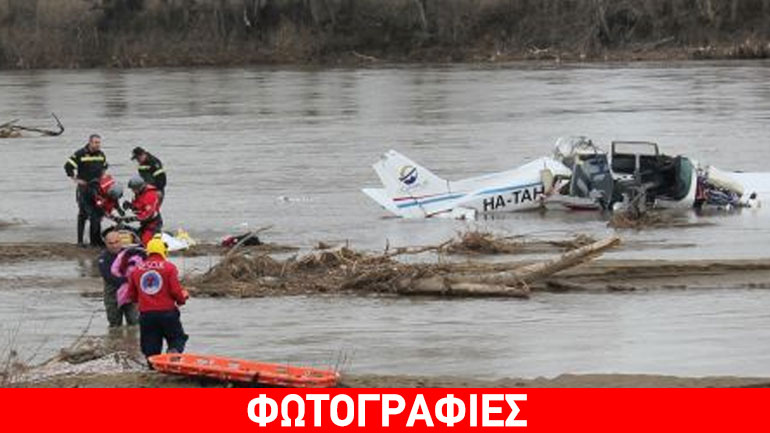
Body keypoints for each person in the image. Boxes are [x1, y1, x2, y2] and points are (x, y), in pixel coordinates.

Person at [126, 237, 189, 360]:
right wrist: (182, 299)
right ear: (163, 251)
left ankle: (152, 367)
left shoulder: (136, 270)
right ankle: (173, 354)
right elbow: (175, 291)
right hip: (167, 313)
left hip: (146, 315)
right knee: (177, 338)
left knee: (150, 347)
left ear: (148, 252)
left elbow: (132, 296)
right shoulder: (169, 267)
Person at [64, 134, 108, 247]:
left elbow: (104, 167)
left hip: (97, 188)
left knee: (97, 214)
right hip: (84, 189)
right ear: (90, 142)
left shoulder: (101, 154)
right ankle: (80, 241)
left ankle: (96, 241)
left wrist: (103, 179)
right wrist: (75, 179)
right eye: (95, 142)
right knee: (83, 214)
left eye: (99, 142)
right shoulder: (80, 153)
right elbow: (68, 166)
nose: (97, 145)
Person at [98, 231, 139, 327]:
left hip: (131, 295)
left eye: (116, 242)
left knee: (134, 324)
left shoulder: (130, 254)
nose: (114, 246)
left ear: (121, 242)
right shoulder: (103, 258)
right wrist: (129, 280)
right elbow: (110, 278)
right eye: (111, 243)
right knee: (115, 325)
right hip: (112, 296)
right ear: (106, 243)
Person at [125, 176, 163, 245]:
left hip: (153, 223)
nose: (132, 191)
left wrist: (133, 218)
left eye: (133, 189)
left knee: (145, 243)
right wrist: (130, 206)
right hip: (145, 223)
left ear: (140, 187)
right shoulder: (138, 195)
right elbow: (138, 208)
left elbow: (148, 214)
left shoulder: (150, 195)